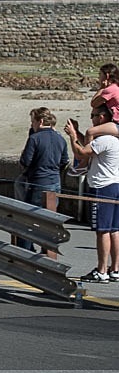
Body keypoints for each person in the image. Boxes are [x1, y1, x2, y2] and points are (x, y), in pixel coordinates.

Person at [64, 106, 119, 283]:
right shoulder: (114, 140)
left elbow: (81, 152)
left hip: (102, 187)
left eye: (94, 116)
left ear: (102, 118)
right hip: (115, 185)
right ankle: (115, 269)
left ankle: (102, 270)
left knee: (102, 231)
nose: (92, 119)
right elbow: (91, 147)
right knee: (114, 230)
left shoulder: (104, 140)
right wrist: (79, 133)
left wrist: (72, 137)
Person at [16, 107, 69, 251]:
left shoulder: (35, 138)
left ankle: (25, 251)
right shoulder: (60, 139)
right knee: (49, 220)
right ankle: (48, 250)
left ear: (39, 122)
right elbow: (64, 161)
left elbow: (25, 161)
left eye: (32, 122)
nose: (31, 125)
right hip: (55, 183)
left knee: (27, 219)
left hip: (38, 182)